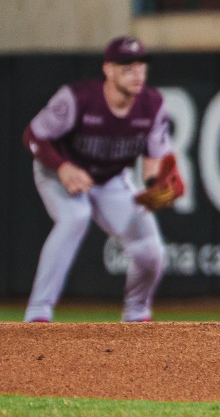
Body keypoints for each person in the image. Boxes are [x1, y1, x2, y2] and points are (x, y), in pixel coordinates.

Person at [21, 36, 171, 323]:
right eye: (127, 67)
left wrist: (153, 186)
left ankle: (137, 313)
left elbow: (153, 156)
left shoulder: (152, 105)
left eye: (140, 66)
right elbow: (33, 135)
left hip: (109, 179)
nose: (137, 74)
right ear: (108, 70)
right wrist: (62, 166)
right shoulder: (78, 98)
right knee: (75, 216)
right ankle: (38, 313)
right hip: (58, 171)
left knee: (150, 249)